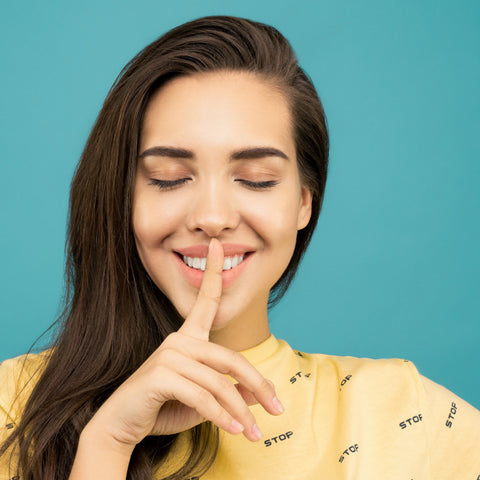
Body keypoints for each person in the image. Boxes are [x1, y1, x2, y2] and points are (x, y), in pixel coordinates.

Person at [0, 15, 479, 480]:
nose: (212, 217)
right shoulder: (13, 404)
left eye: (256, 180)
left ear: (303, 204)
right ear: (122, 197)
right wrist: (108, 441)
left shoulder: (406, 415)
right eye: (169, 179)